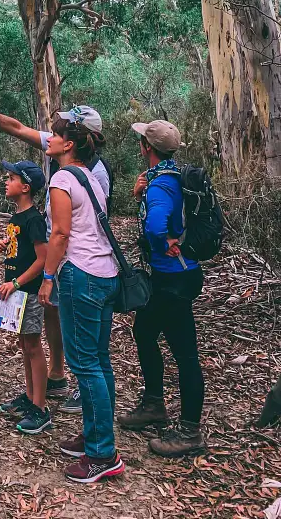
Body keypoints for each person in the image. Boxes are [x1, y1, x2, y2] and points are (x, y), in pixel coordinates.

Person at [0, 98, 110, 413]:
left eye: (62, 129)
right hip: (59, 254)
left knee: (83, 337)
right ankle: (55, 376)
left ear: (74, 139)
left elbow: (87, 226)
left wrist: (50, 272)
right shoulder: (60, 152)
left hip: (77, 261)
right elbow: (17, 127)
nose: (49, 137)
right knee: (51, 315)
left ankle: (84, 403)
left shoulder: (93, 174)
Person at [37, 116, 124, 483]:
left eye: (55, 135)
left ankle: (103, 453)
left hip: (81, 274)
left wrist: (47, 277)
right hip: (106, 274)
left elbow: (59, 234)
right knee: (98, 361)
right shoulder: (91, 176)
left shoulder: (61, 178)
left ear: (68, 144)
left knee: (85, 364)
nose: (50, 140)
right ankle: (94, 436)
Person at [118, 119, 206, 457]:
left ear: (147, 149)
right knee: (143, 331)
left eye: (142, 141)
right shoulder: (170, 177)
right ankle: (154, 403)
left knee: (185, 355)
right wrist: (140, 193)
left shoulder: (160, 185)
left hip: (174, 280)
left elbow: (156, 223)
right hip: (176, 275)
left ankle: (190, 432)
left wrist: (162, 240)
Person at [0, 160, 51, 435]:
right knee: (24, 344)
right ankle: (29, 397)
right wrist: (5, 246)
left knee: (33, 346)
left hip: (26, 291)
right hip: (16, 291)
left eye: (11, 178)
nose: (6, 182)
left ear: (25, 187)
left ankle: (40, 408)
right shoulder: (16, 219)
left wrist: (16, 283)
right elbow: (22, 250)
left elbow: (43, 259)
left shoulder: (34, 220)